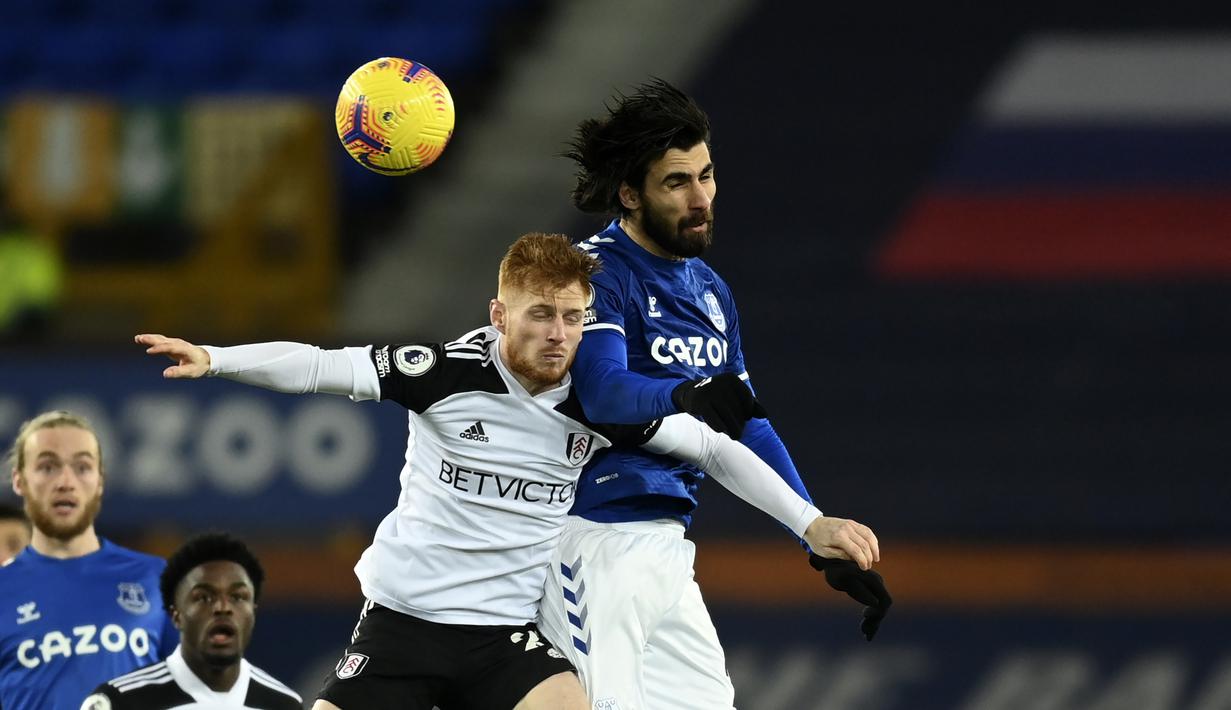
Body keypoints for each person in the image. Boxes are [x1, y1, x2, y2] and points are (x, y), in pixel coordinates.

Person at [134, 232, 870, 710]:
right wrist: (214, 359)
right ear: (499, 313)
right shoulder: (444, 372)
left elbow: (711, 446)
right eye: (541, 315)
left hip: (504, 639)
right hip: (404, 627)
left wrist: (811, 522)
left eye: (574, 317)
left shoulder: (599, 400)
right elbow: (321, 367)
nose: (559, 335)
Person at [537, 79, 893, 709]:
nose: (701, 197)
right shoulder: (594, 273)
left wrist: (812, 528)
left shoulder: (710, 292)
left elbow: (744, 422)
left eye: (706, 175)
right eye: (677, 182)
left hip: (669, 551)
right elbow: (602, 393)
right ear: (630, 193)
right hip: (592, 542)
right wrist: (690, 392)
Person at [0, 410, 178, 710]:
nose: (65, 481)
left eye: (82, 467)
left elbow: (196, 691)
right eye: (47, 467)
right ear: (19, 481)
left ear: (100, 481)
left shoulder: (157, 578)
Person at [82, 532, 301, 709]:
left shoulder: (283, 704)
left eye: (237, 597)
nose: (223, 607)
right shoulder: (120, 702)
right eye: (204, 597)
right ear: (176, 614)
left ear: (253, 612)